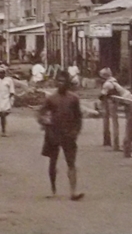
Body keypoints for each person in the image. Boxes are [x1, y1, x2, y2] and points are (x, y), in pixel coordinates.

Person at [36, 70, 85, 201]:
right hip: (53, 134)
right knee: (52, 162)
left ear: (68, 83)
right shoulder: (51, 98)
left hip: (69, 134)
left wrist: (76, 131)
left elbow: (78, 117)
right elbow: (40, 112)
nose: (61, 83)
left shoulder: (73, 98)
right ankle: (53, 190)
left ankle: (73, 191)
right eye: (59, 81)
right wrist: (44, 120)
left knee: (71, 163)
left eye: (63, 81)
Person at [100, 68, 132, 155]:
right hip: (128, 99)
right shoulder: (114, 81)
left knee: (131, 123)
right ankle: (131, 144)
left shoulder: (108, 84)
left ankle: (126, 144)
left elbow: (102, 95)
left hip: (128, 100)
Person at [0, 65, 16, 137]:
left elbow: (12, 91)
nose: (0, 74)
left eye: (2, 73)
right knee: (1, 116)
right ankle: (3, 130)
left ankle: (4, 130)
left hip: (6, 100)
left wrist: (10, 100)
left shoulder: (9, 80)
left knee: (4, 115)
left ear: (4, 73)